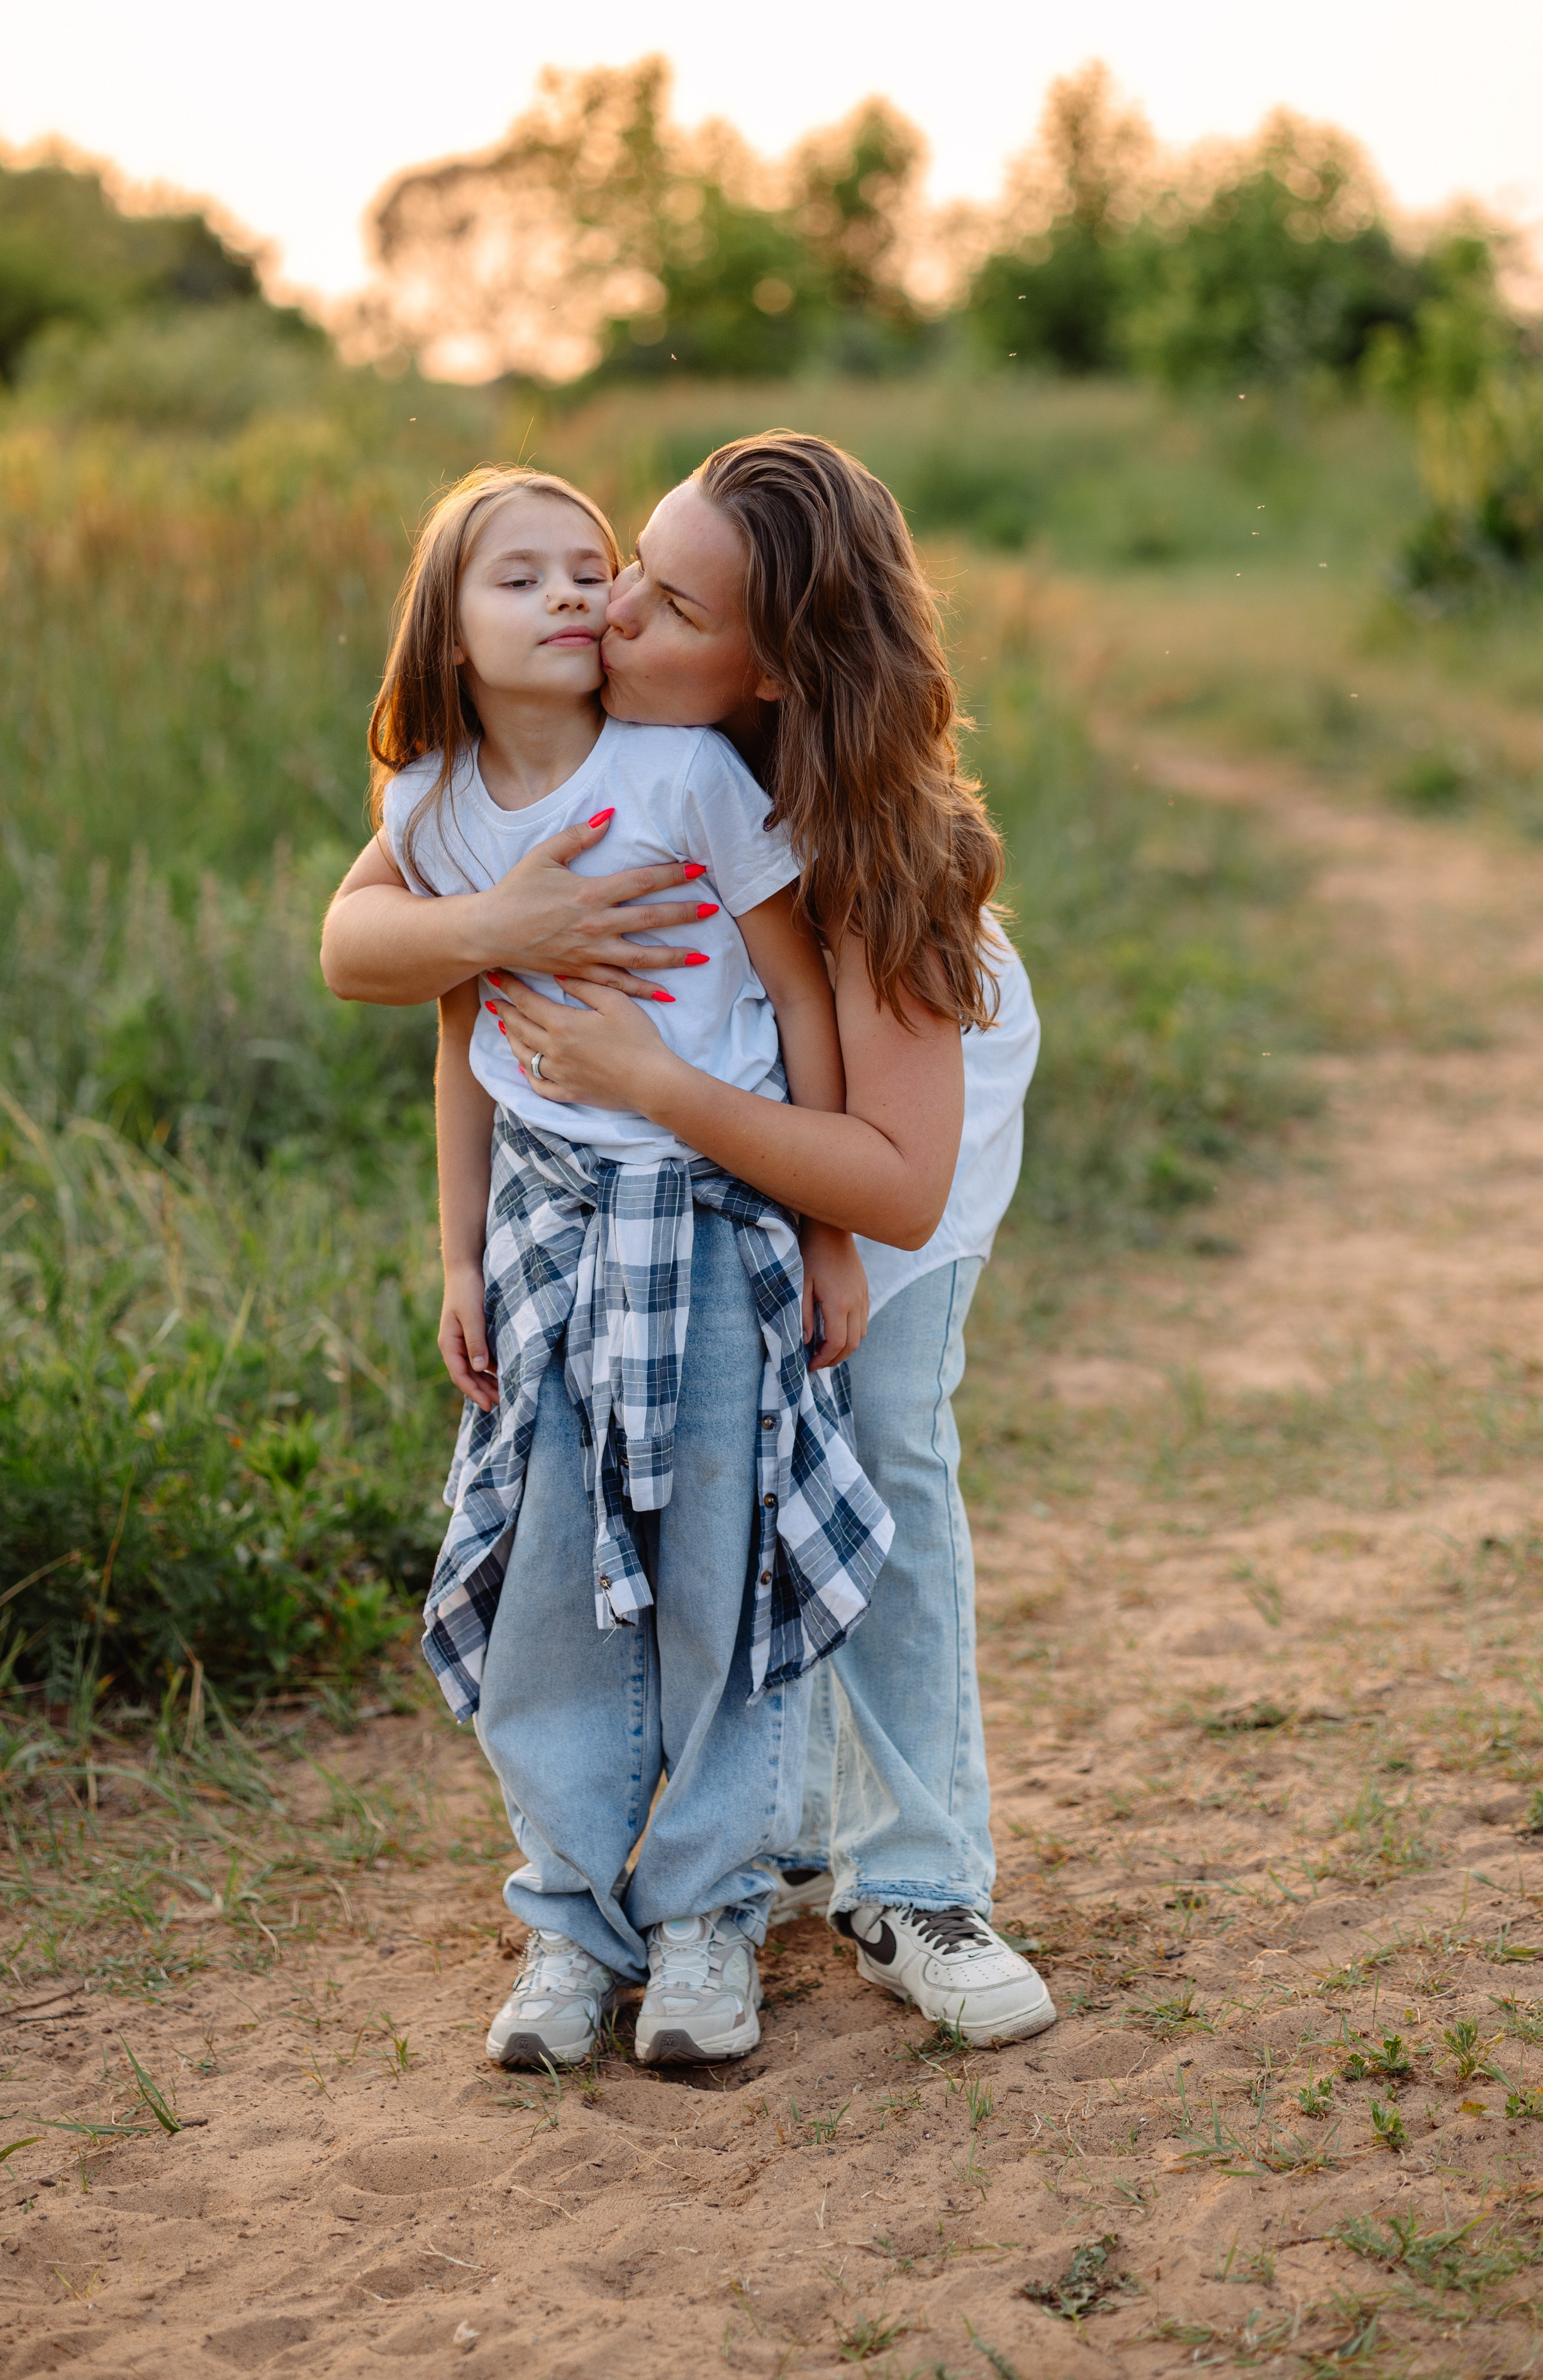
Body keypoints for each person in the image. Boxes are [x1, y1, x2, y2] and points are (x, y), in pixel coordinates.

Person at [323, 433, 1054, 2049]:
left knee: (875, 1437)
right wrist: (498, 928)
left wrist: (657, 1084)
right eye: (622, 569)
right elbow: (370, 941)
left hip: (887, 1135)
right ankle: (768, 1840)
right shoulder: (597, 763)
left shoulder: (882, 852)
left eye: (661, 600)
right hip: (677, 1143)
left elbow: (893, 1182)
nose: (612, 611)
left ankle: (921, 1878)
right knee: (720, 1464)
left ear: (771, 667)